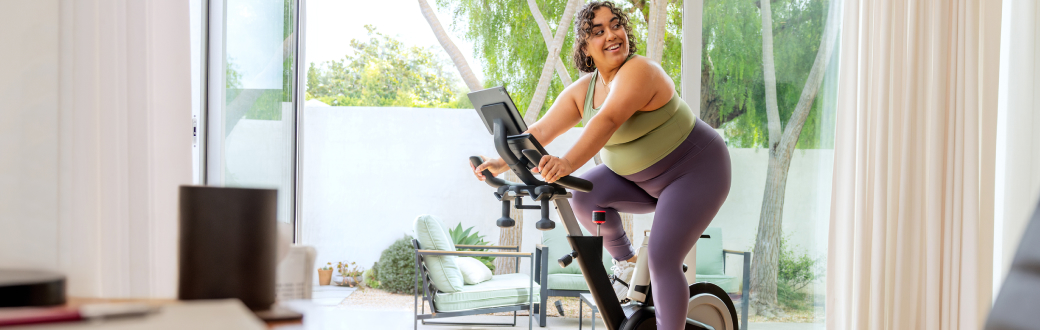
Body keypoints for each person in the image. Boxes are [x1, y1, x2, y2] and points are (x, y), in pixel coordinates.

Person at [470, 1, 731, 329]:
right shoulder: (583, 91)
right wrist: (500, 161)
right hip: (641, 181)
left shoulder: (640, 71)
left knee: (664, 260)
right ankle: (626, 262)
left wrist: (566, 162)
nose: (612, 34)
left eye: (616, 25)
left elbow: (607, 120)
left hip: (696, 173)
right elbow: (537, 132)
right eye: (598, 31)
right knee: (584, 197)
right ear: (585, 46)